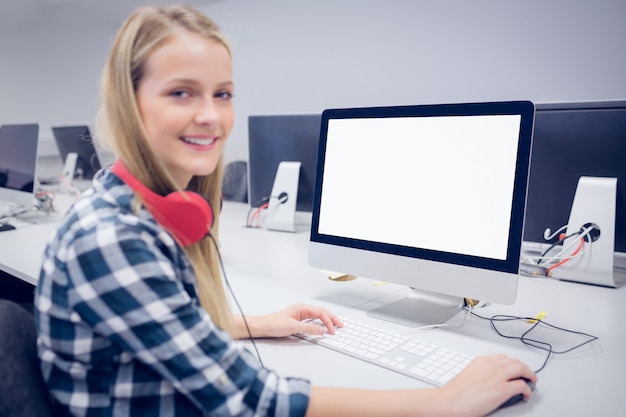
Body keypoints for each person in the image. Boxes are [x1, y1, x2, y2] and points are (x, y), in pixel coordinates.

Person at [34, 5, 537, 417]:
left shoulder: (124, 200)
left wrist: (252, 322)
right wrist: (446, 401)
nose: (210, 115)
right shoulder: (113, 240)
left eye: (222, 94)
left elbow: (150, 323)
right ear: (130, 101)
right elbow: (255, 402)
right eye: (181, 92)